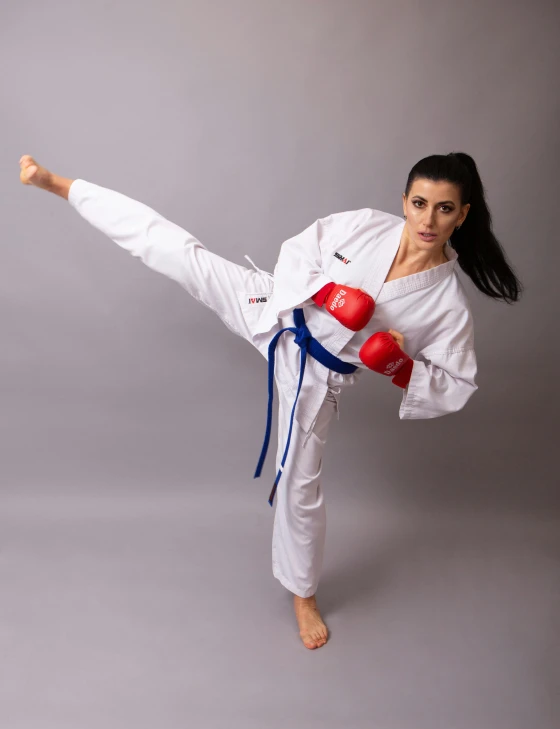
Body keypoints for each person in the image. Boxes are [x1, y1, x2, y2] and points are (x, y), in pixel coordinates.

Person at [18, 152, 522, 650]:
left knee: (300, 487)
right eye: (419, 203)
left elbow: (455, 382)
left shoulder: (446, 303)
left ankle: (303, 594)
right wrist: (328, 294)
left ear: (464, 214)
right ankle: (59, 184)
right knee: (177, 252)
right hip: (276, 312)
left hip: (317, 379)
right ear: (404, 201)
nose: (428, 219)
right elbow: (299, 252)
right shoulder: (367, 227)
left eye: (444, 208)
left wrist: (401, 368)